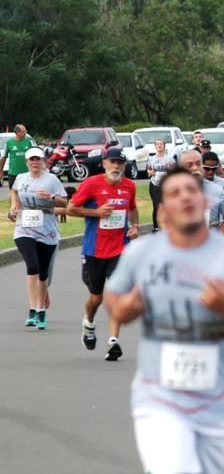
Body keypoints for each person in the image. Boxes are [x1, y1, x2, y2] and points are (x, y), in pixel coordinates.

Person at [103, 168, 224, 474]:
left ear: (205, 201)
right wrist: (126, 308)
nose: (185, 196)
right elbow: (114, 297)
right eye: (174, 193)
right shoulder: (143, 253)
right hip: (158, 399)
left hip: (221, 404)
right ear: (163, 210)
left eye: (191, 190)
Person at [67, 147, 140, 361]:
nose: (116, 166)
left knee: (117, 294)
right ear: (104, 164)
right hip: (94, 250)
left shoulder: (129, 186)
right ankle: (89, 323)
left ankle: (113, 341)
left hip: (120, 248)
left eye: (120, 163)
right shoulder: (92, 184)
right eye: (112, 162)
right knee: (96, 298)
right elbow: (71, 208)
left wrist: (134, 225)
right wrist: (95, 213)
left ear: (124, 166)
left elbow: (133, 209)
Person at [9, 147, 67, 329]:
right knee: (32, 267)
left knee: (43, 274)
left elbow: (65, 202)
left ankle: (41, 309)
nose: (35, 162)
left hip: (47, 231)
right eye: (31, 159)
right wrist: (14, 207)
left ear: (43, 161)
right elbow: (14, 192)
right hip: (24, 229)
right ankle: (32, 309)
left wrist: (51, 197)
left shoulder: (52, 180)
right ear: (27, 162)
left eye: (38, 159)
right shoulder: (21, 178)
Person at [178, 149, 224, 233]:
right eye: (189, 165)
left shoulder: (217, 191)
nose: (195, 168)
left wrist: (218, 238)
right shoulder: (172, 193)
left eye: (198, 164)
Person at [147, 139, 175, 232]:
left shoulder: (170, 159)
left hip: (166, 185)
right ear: (155, 146)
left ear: (164, 146)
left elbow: (174, 172)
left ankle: (167, 225)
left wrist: (168, 170)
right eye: (157, 144)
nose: (159, 146)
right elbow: (149, 171)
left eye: (161, 144)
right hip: (155, 184)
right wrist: (154, 173)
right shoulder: (151, 159)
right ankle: (156, 226)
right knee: (157, 205)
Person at [0, 124, 34, 189]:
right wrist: (0, 170)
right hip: (13, 173)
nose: (25, 132)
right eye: (23, 131)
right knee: (13, 193)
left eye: (25, 131)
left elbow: (34, 155)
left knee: (26, 193)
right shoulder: (9, 143)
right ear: (17, 132)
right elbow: (3, 158)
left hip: (27, 173)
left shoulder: (29, 141)